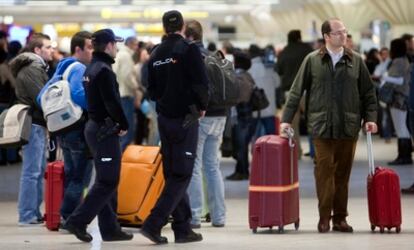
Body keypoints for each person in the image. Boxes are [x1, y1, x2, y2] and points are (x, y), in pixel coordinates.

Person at [280, 18, 378, 233]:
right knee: (324, 173)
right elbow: (296, 91)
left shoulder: (356, 61)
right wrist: (286, 119)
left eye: (344, 31)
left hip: (348, 127)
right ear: (326, 37)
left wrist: (371, 118)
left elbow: (369, 93)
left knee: (343, 175)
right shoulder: (312, 60)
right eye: (338, 32)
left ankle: (340, 218)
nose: (344, 35)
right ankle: (324, 216)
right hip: (321, 127)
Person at [140, 10, 209, 244]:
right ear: (181, 26)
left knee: (172, 173)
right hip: (185, 119)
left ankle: (182, 228)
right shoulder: (188, 49)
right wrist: (201, 106)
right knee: (182, 174)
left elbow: (150, 89)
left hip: (164, 119)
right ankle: (153, 223)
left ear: (163, 27)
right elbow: (201, 82)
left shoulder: (155, 53)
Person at [64, 29, 133, 243]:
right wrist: (123, 123)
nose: (117, 48)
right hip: (104, 130)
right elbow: (113, 102)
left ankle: (110, 228)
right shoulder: (103, 71)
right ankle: (77, 220)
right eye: (115, 44)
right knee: (107, 181)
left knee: (107, 181)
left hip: (96, 128)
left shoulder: (91, 68)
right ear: (109, 45)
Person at [44, 31, 94, 227]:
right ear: (78, 49)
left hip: (63, 128)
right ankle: (69, 215)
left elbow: (42, 96)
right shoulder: (79, 68)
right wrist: (96, 105)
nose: (92, 52)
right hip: (77, 129)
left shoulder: (60, 68)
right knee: (80, 177)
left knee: (72, 175)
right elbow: (79, 94)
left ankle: (68, 215)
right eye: (89, 47)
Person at [184, 19, 227, 228]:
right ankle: (219, 217)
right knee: (213, 166)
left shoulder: (192, 56)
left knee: (194, 166)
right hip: (221, 115)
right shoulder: (214, 55)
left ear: (188, 36)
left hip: (202, 115)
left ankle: (194, 215)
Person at [10, 33, 53, 226]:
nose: (52, 50)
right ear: (37, 50)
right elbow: (41, 97)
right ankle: (27, 214)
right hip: (33, 124)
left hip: (36, 123)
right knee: (31, 171)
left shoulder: (35, 68)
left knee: (37, 170)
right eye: (48, 47)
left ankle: (33, 212)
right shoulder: (32, 69)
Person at [276, 30, 313, 159]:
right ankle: (316, 151)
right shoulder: (307, 50)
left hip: (290, 93)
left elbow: (278, 70)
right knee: (314, 122)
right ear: (299, 37)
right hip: (307, 92)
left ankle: (296, 153)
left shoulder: (284, 53)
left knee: (292, 124)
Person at [383, 39, 412, 165]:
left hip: (398, 98)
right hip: (402, 98)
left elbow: (399, 80)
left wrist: (385, 77)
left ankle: (404, 156)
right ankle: (405, 155)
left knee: (400, 128)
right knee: (402, 127)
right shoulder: (405, 60)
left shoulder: (398, 61)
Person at [113, 36, 139, 151]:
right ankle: (124, 160)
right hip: (126, 95)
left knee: (123, 130)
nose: (137, 47)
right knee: (127, 131)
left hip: (120, 95)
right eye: (136, 44)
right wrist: (136, 87)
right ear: (131, 44)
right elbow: (127, 76)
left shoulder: (120, 54)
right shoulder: (126, 56)